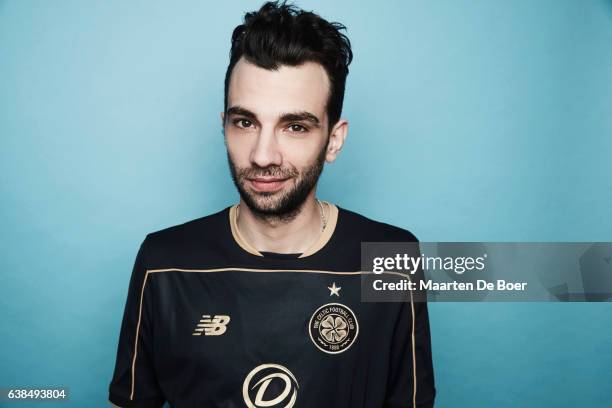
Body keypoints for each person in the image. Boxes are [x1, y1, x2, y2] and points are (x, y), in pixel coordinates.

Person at [108, 2, 436, 407]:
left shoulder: (391, 258)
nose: (263, 155)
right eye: (245, 122)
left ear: (334, 139)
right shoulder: (164, 261)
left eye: (295, 126)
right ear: (224, 125)